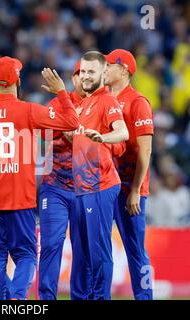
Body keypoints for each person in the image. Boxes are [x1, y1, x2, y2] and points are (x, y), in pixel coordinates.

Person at [0, 56, 80, 300]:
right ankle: (17, 296)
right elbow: (72, 122)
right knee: (25, 254)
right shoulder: (29, 110)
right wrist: (60, 92)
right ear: (17, 80)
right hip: (20, 200)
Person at [70, 51, 129, 300]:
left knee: (98, 251)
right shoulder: (85, 103)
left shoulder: (107, 101)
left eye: (91, 71)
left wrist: (103, 137)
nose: (85, 76)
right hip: (84, 187)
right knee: (84, 250)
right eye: (83, 71)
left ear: (103, 73)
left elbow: (123, 132)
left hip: (100, 186)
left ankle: (101, 297)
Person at [104, 49, 154, 300]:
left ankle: (144, 297)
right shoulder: (106, 99)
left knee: (135, 249)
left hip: (128, 190)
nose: (105, 69)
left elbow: (146, 150)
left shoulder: (137, 102)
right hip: (106, 186)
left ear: (124, 70)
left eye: (109, 65)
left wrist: (135, 190)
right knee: (101, 248)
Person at [38, 60, 86, 300]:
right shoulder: (56, 103)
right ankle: (47, 300)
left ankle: (80, 296)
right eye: (79, 74)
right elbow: (45, 135)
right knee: (50, 244)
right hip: (54, 187)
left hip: (85, 188)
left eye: (88, 73)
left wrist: (75, 131)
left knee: (83, 249)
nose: (83, 78)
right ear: (73, 78)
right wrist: (68, 130)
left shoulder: (100, 104)